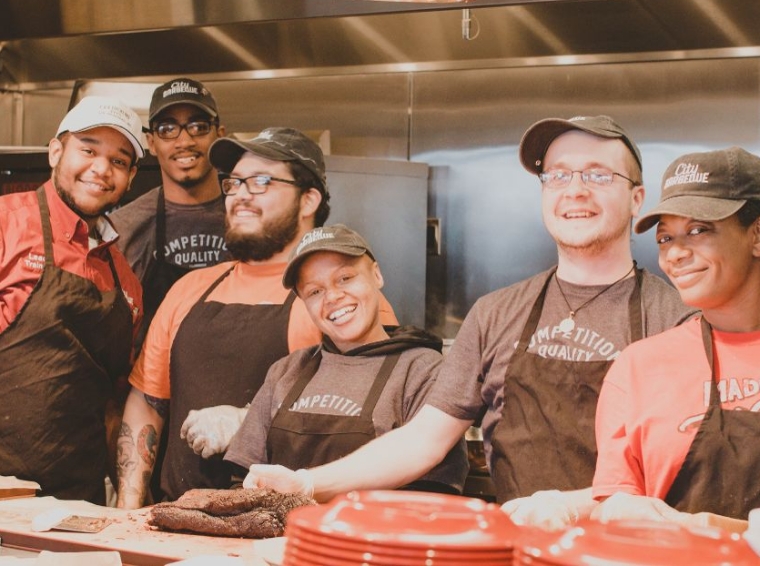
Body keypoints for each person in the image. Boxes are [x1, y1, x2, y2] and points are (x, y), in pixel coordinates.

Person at [243, 115, 696, 529]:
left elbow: (684, 467)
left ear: (637, 197)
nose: (575, 189)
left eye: (598, 174)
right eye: (557, 175)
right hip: (519, 549)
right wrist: (306, 483)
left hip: (637, 552)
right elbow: (422, 441)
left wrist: (576, 505)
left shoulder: (679, 319)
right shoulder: (496, 312)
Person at [116, 127, 397, 508]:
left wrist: (251, 422)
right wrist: (127, 510)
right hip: (178, 522)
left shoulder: (341, 300)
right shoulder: (190, 288)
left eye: (262, 181)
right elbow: (149, 402)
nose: (241, 195)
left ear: (308, 200)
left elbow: (374, 418)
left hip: (290, 535)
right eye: (234, 183)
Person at [227, 224, 468, 495]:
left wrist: (312, 495)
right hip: (283, 537)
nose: (332, 297)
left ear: (376, 275)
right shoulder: (286, 371)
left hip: (376, 536)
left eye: (345, 278)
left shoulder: (422, 369)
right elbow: (245, 482)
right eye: (315, 291)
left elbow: (433, 493)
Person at [591, 146, 760, 523]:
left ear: (757, 234)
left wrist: (707, 529)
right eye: (665, 239)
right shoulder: (638, 368)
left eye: (698, 230)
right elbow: (618, 508)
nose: (675, 255)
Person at [0, 95, 144, 504]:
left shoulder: (127, 281)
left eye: (119, 161)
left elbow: (114, 404)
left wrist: (127, 499)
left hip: (78, 504)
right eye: (88, 150)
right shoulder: (6, 224)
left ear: (131, 177)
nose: (101, 169)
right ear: (55, 151)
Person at [108, 78, 231, 353]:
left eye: (199, 127)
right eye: (167, 129)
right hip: (154, 383)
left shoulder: (251, 212)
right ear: (151, 142)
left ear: (219, 134)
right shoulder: (124, 227)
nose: (184, 141)